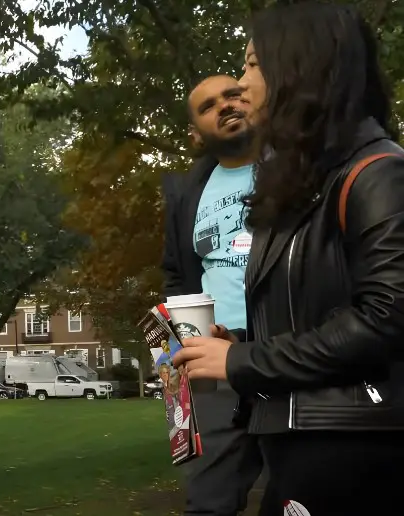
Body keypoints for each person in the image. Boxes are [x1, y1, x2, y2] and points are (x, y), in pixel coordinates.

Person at [175, 3, 404, 515]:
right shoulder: (308, 184)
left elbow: (387, 318)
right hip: (298, 437)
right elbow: (315, 310)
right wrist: (240, 344)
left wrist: (242, 361)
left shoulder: (378, 174)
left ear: (301, 68)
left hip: (353, 448)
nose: (241, 82)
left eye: (253, 64)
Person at [161, 74, 263, 516]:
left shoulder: (303, 170)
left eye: (233, 94)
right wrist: (176, 349)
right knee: (208, 503)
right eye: (208, 106)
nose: (224, 105)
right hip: (214, 369)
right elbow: (175, 278)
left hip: (291, 353)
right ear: (195, 133)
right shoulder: (187, 194)